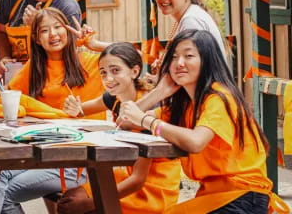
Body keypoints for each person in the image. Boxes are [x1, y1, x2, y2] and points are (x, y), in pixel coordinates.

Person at [118, 29, 290, 214]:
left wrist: (147, 121)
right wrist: (159, 92)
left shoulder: (220, 97)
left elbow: (195, 142)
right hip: (213, 197)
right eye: (174, 57)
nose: (179, 63)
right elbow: (125, 121)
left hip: (242, 196)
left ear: (207, 61)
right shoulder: (185, 105)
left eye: (189, 56)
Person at [0, 7, 104, 214]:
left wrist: (95, 45)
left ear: (68, 30)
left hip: (79, 159)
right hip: (44, 152)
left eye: (58, 27)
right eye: (44, 30)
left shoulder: (90, 63)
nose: (53, 34)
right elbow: (7, 93)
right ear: (36, 38)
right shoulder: (36, 67)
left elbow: (133, 56)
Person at [58, 42, 180, 213]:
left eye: (116, 71)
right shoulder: (113, 99)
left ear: (135, 71)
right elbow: (80, 111)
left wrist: (89, 204)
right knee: (68, 199)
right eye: (103, 73)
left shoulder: (150, 110)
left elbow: (138, 179)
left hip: (153, 188)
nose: (108, 79)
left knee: (78, 207)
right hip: (127, 175)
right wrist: (73, 107)